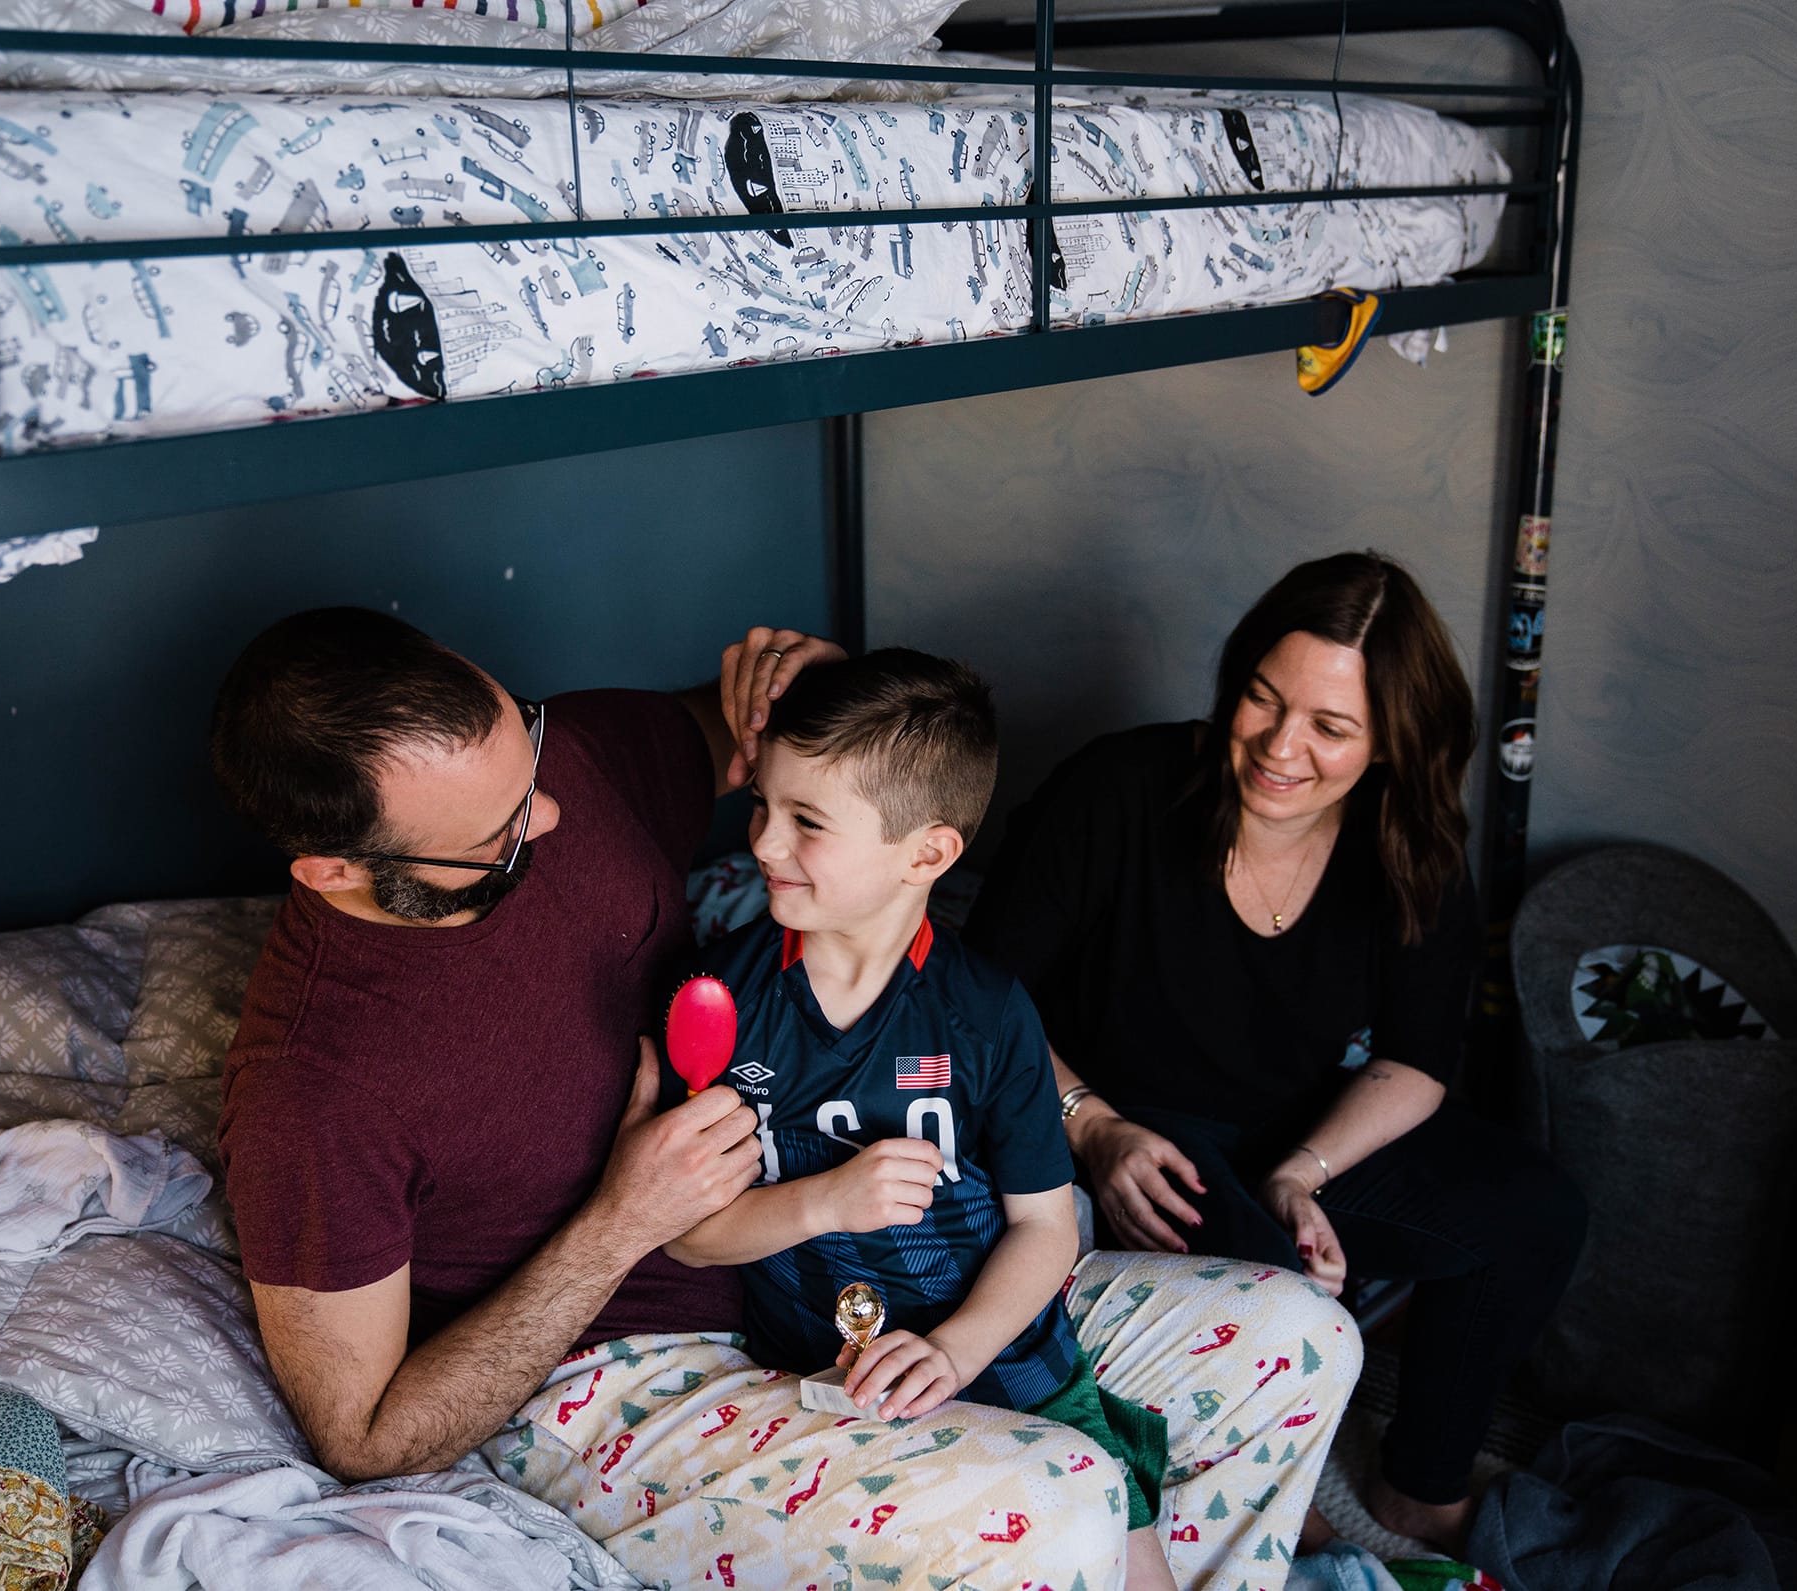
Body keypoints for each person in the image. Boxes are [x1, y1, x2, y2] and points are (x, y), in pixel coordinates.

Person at [211, 608, 1361, 1589]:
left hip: (847, 1291)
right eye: (503, 834)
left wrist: (792, 668)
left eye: (534, 761)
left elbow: (798, 744)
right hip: (625, 1377)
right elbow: (366, 1438)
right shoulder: (314, 1087)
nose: (551, 819)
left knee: (1299, 1336)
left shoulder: (566, 767)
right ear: (336, 869)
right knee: (1061, 1499)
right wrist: (623, 1220)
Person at [967, 551, 1588, 1554]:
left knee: (1534, 1209)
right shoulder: (1121, 787)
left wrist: (1308, 1169)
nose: (1278, 747)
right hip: (1130, 1124)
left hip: (1299, 1128)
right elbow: (977, 996)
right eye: (1261, 701)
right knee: (1278, 1300)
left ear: (1390, 744)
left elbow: (1417, 1059)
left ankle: (1416, 1489)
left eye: (1330, 728)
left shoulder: (1407, 843)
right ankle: (1211, 1528)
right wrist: (1091, 1126)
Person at [660, 650, 1176, 1591]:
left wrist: (953, 1349)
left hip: (1005, 1353)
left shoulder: (987, 1014)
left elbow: (1046, 1227)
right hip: (818, 1379)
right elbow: (688, 1236)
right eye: (764, 806)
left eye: (807, 822)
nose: (764, 844)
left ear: (928, 853)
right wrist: (825, 1199)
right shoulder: (722, 997)